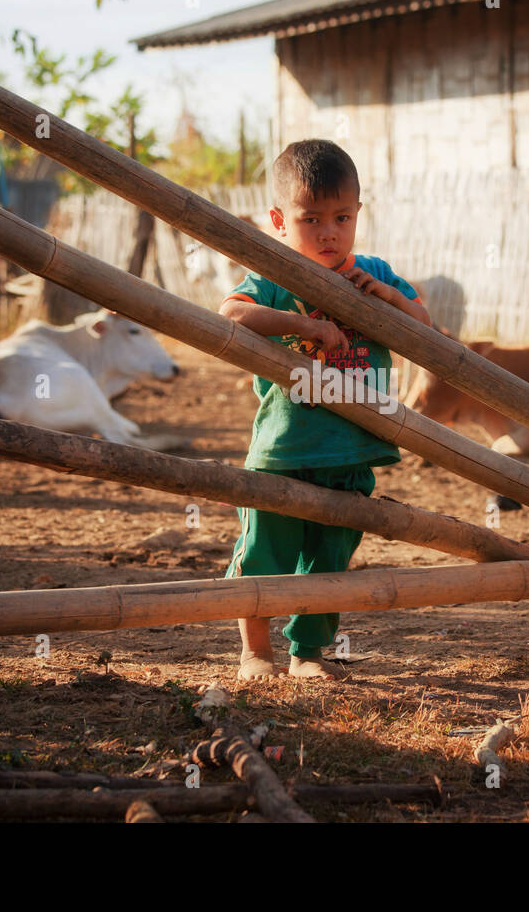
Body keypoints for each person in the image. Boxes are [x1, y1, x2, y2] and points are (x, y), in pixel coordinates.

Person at [218, 139, 432, 680]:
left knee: (328, 560)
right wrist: (305, 326)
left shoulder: (376, 271)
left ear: (358, 212)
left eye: (341, 217)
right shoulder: (273, 276)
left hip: (353, 451)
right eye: (310, 219)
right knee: (265, 552)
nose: (328, 232)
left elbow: (427, 332)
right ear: (278, 220)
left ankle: (307, 654)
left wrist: (385, 298)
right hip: (283, 451)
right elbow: (231, 315)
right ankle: (255, 654)